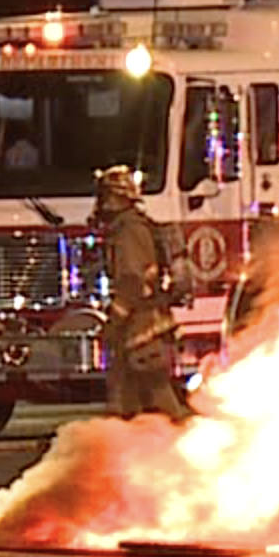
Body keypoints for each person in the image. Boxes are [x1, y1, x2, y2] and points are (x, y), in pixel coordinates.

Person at [93, 165, 193, 422]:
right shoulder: (131, 226)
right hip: (144, 324)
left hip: (141, 327)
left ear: (114, 197)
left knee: (156, 395)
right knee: (127, 398)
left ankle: (182, 437)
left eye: (104, 196)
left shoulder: (129, 231)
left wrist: (115, 321)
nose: (101, 203)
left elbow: (131, 281)